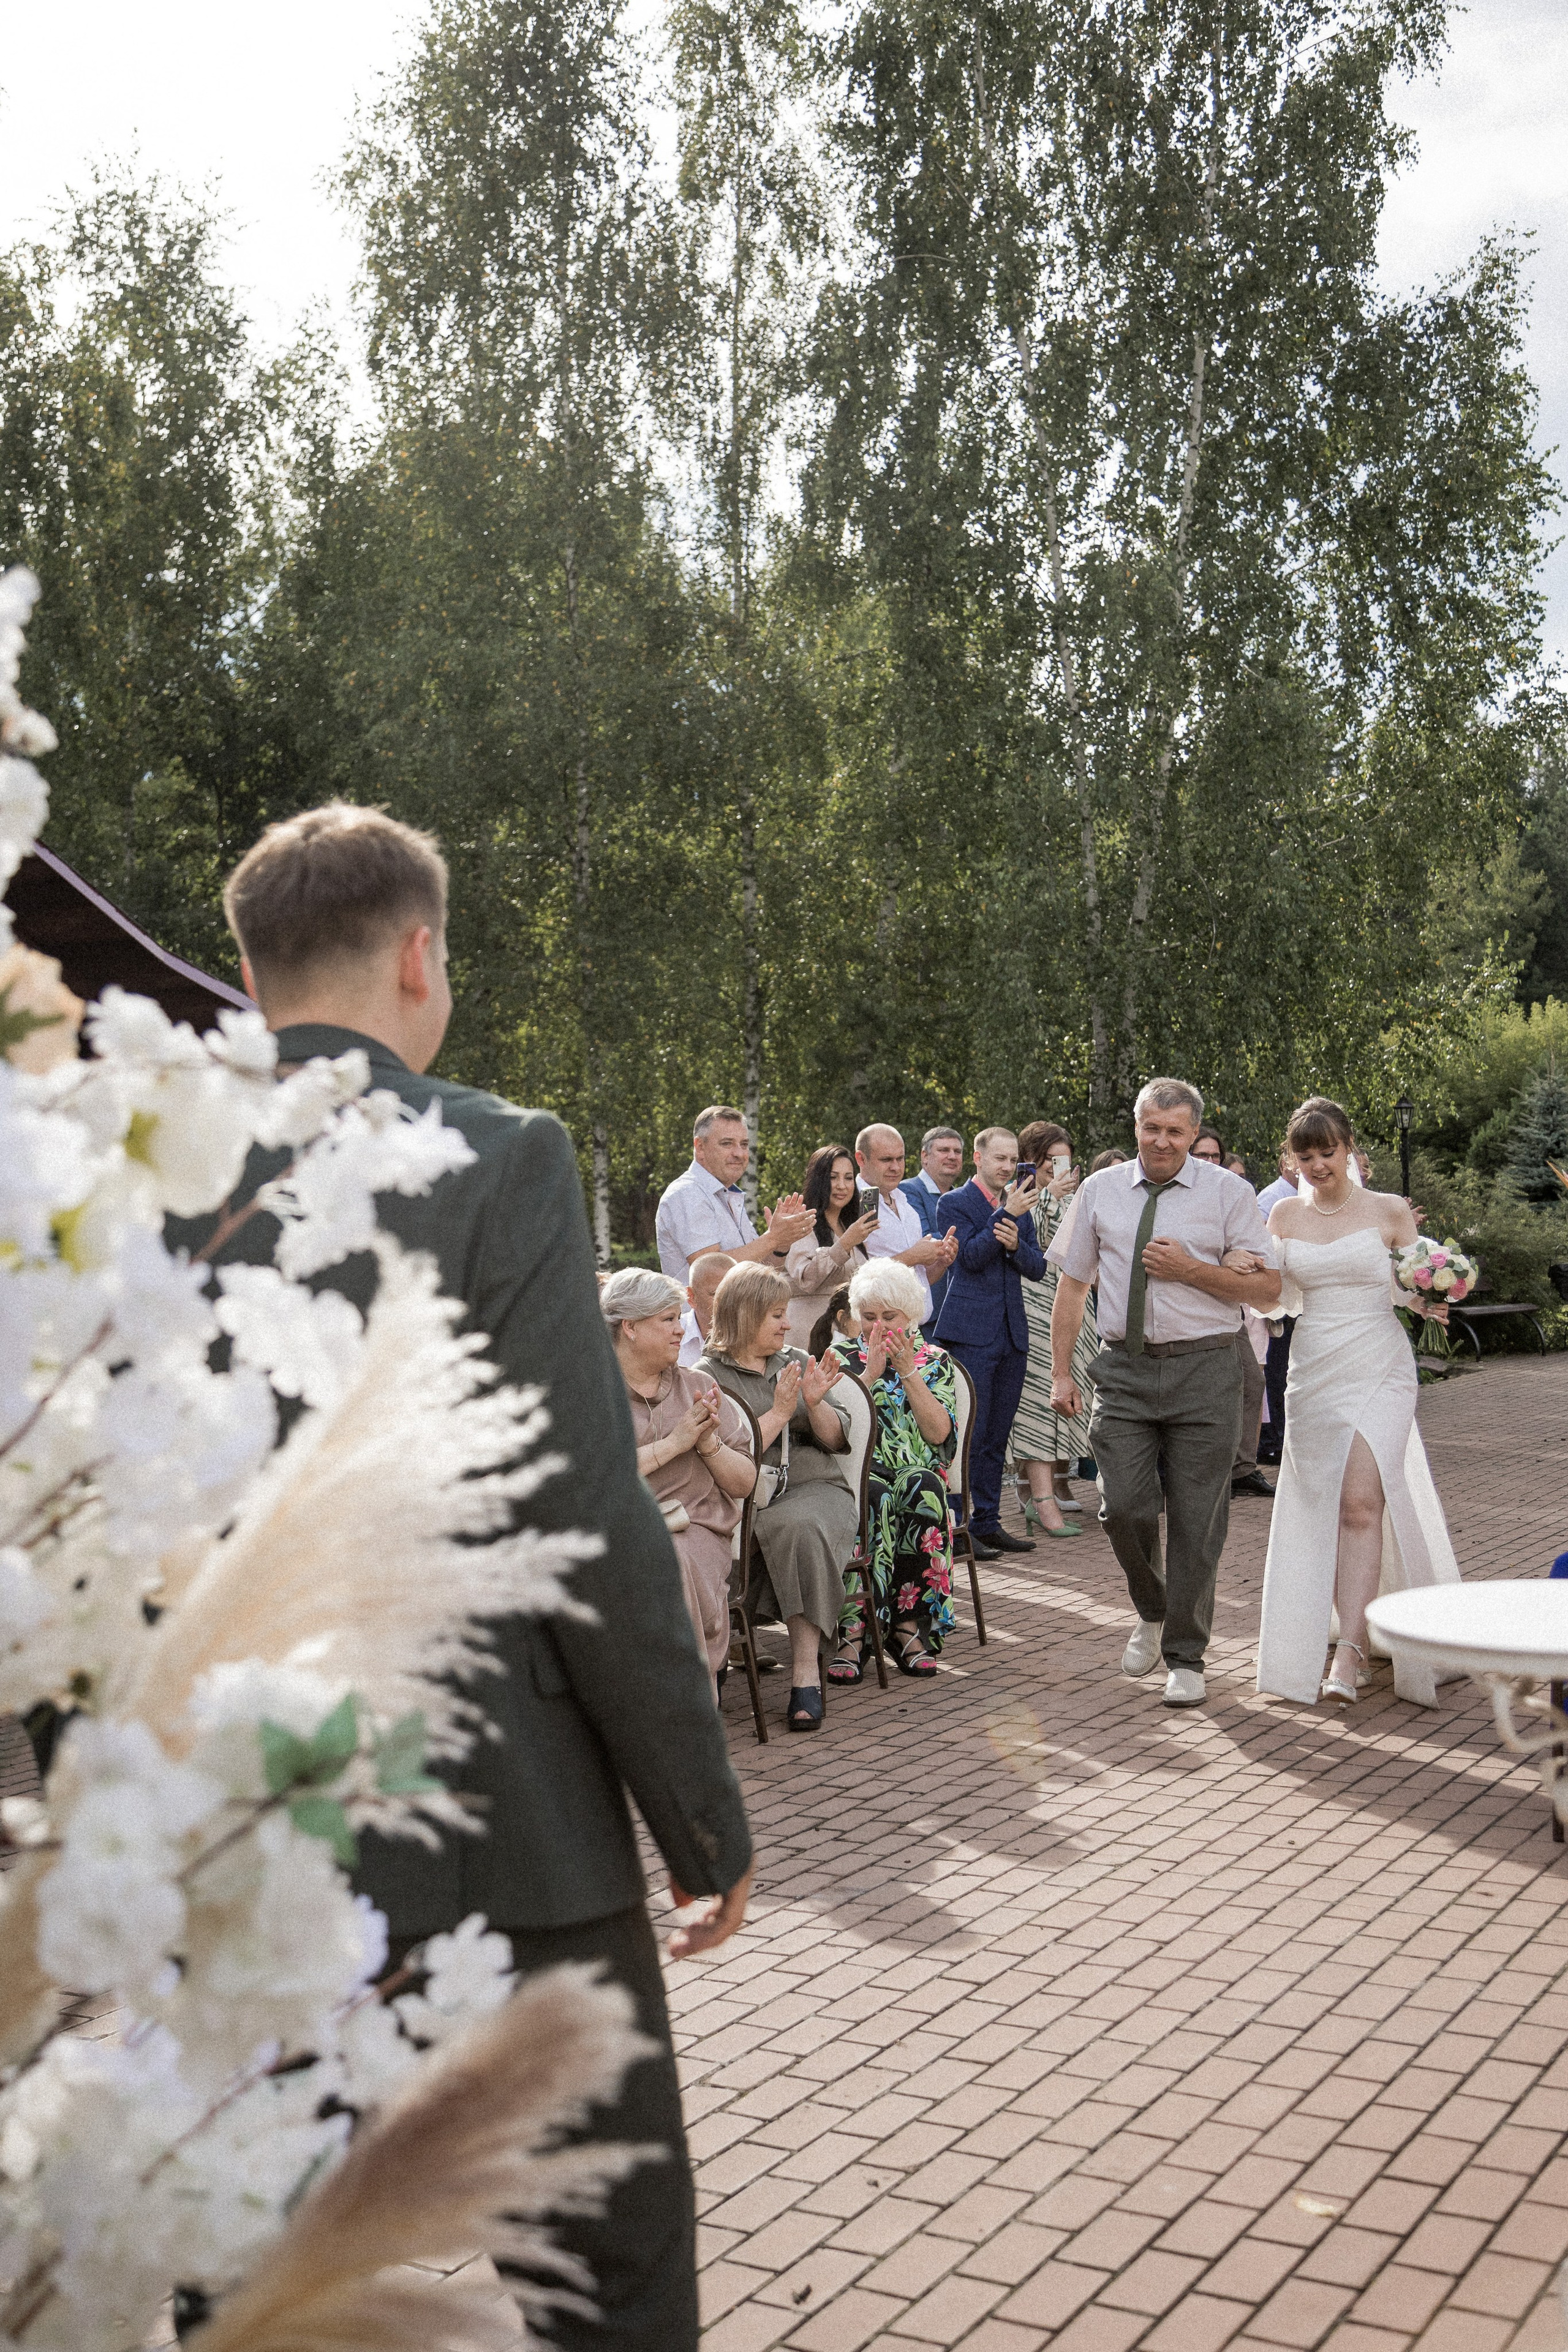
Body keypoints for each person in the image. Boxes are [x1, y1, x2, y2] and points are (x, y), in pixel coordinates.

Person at [199, 803, 752, 2352]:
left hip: (239, 1843)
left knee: (256, 2297)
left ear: (248, 975)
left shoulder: (142, 1184)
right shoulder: (499, 1159)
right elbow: (584, 1518)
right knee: (607, 2292)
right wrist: (698, 1816)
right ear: (421, 955)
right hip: (504, 1836)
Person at [1047, 1079, 1282, 1708]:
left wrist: (1190, 1271)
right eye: (1151, 1128)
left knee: (1198, 1520)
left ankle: (1186, 1655)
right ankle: (1152, 1610)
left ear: (1191, 1133)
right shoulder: (1099, 1190)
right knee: (1121, 1506)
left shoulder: (1229, 1194)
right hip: (1122, 1370)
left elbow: (1265, 1291)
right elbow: (1072, 1289)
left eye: (1174, 1131)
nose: (1161, 1141)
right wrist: (1061, 1372)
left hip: (1206, 1368)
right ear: (1136, 1126)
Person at [1253, 1096, 1461, 1708]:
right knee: (1324, 1501)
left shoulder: (1389, 1211)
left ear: (1348, 1150)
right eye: (1305, 1154)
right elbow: (1275, 1300)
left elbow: (1405, 1286)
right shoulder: (1283, 1217)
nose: (1317, 1164)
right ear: (1290, 1158)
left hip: (1380, 1366)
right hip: (1313, 1369)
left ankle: (1353, 1649)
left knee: (1362, 1503)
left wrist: (1433, 1298)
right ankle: (1341, 1627)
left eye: (1327, 1152)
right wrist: (1244, 1274)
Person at [698, 1264, 856, 1734]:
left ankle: (805, 1674)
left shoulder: (796, 1360)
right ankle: (716, 1657)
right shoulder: (705, 1377)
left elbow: (835, 1440)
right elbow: (729, 1451)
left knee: (797, 1527)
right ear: (745, 1316)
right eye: (776, 1315)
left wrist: (816, 1402)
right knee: (738, 1533)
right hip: (745, 1497)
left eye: (786, 1314)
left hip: (813, 1487)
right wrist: (782, 1411)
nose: (787, 1325)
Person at [605, 1270, 756, 1698]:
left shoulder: (698, 1386)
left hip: (694, 1528)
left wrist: (708, 1444)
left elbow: (744, 1482)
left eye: (680, 1317)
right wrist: (676, 1443)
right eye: (668, 1320)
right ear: (630, 1328)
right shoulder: (593, 1393)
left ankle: (692, 1707)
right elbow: (595, 1477)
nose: (681, 1329)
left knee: (669, 1556)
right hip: (615, 1530)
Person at [826, 1259, 959, 1683]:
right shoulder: (839, 1356)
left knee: (922, 1488)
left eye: (889, 1317)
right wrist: (869, 1375)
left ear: (910, 1316)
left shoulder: (935, 1360)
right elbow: (830, 1426)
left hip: (916, 1466)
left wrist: (907, 1373)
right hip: (855, 1468)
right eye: (868, 1317)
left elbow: (940, 1434)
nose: (878, 1326)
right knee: (873, 1493)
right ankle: (854, 1629)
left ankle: (907, 1626)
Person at [933, 1126, 1046, 1559]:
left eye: (1012, 1158)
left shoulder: (1021, 1204)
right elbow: (970, 1258)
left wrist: (1017, 1243)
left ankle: (987, 1522)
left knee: (997, 1435)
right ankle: (958, 1528)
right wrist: (1006, 1216)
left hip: (1011, 1334)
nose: (1006, 1166)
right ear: (978, 1159)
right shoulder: (954, 1203)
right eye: (998, 1158)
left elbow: (1036, 1267)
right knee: (969, 1435)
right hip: (969, 1332)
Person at [1006, 1121, 1091, 1538]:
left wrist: (1067, 1196)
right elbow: (1028, 1239)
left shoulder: (1078, 1194)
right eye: (1049, 1161)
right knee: (1039, 1397)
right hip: (1034, 1301)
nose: (1058, 1169)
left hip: (1073, 1301)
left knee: (1073, 1394)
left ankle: (1049, 1487)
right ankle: (1039, 1501)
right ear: (1032, 1161)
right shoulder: (1020, 1194)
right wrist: (1045, 1197)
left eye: (1064, 1160)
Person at [654, 1104, 813, 1284]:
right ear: (700, 1147)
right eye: (727, 1144)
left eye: (744, 1144)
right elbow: (711, 1272)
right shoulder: (687, 1193)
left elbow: (762, 1274)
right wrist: (773, 1238)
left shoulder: (727, 1194)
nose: (739, 1153)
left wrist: (781, 1245)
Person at [857, 1123, 958, 1325]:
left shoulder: (904, 1202)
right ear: (861, 1159)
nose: (895, 1167)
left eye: (900, 1159)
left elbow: (919, 1281)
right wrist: (914, 1256)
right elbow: (857, 1277)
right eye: (886, 1160)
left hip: (914, 1331)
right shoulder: (857, 1201)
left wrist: (941, 1262)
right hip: (877, 1331)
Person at [783, 1144, 878, 1346]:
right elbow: (807, 1279)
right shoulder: (801, 1222)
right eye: (833, 1178)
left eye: (849, 1178)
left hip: (846, 1338)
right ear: (819, 1181)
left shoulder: (850, 1226)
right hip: (806, 1336)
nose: (842, 1186)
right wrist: (845, 1243)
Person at [898, 1124, 967, 1329]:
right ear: (924, 1156)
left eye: (958, 1151)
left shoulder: (962, 1197)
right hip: (925, 1312)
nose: (952, 1156)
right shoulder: (908, 1191)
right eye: (944, 1150)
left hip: (956, 1312)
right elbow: (927, 1241)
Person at [1256, 1150, 1299, 1463]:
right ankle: (1276, 1438)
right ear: (1286, 1163)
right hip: (1282, 1305)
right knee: (1277, 1372)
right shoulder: (1274, 1200)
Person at [679, 1249, 735, 1366]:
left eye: (735, 1294)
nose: (728, 1302)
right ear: (691, 1297)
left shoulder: (756, 1334)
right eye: (715, 1294)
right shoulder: (672, 1337)